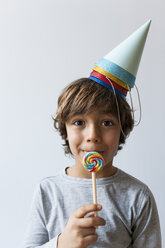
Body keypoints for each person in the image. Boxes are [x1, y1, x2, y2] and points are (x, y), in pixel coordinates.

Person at [24, 21, 162, 248]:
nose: (93, 135)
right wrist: (62, 243)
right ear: (65, 129)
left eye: (107, 122)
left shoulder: (138, 197)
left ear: (122, 128)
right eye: (79, 122)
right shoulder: (47, 191)